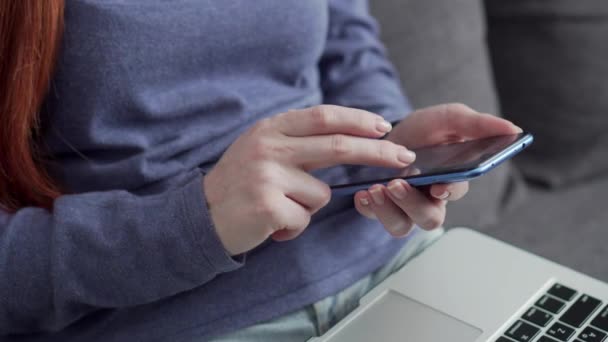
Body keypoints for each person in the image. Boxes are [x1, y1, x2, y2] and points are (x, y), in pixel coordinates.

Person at [0, 1, 521, 341]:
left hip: (385, 255)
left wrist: (383, 138)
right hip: (170, 319)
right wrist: (195, 221)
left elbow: (344, 37)